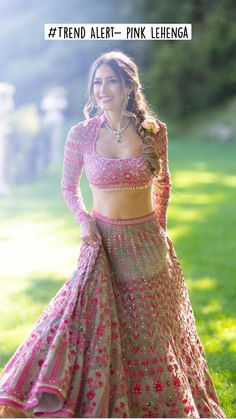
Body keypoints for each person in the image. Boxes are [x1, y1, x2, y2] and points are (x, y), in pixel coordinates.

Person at [0, 50, 226, 418]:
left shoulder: (153, 131)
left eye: (111, 81)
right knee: (81, 323)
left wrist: (161, 231)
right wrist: (83, 220)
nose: (103, 89)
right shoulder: (82, 134)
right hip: (102, 242)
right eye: (97, 82)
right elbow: (68, 186)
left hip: (147, 245)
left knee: (149, 334)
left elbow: (163, 184)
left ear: (127, 87)